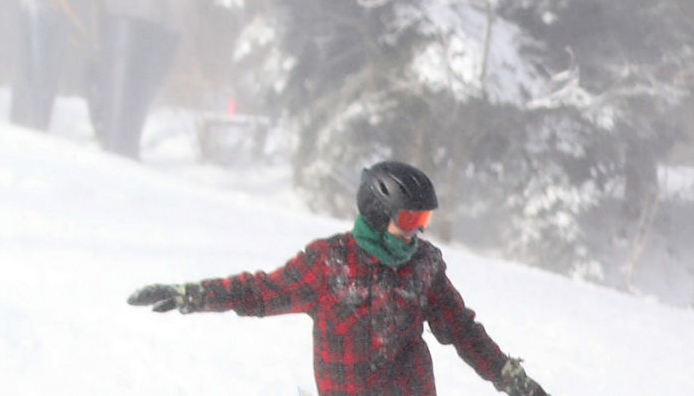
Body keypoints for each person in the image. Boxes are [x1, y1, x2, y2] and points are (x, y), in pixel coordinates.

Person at [126, 162, 552, 396]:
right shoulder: (330, 263)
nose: (419, 230)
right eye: (410, 219)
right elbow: (260, 292)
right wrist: (192, 295)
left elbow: (462, 330)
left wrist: (513, 380)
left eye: (424, 219)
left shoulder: (424, 266)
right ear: (378, 213)